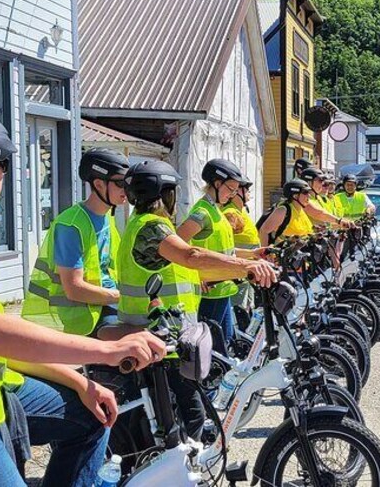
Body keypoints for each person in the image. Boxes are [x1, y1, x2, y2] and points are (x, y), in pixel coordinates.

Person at [0, 107, 166, 486]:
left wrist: (83, 383)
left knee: (93, 416)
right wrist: (107, 351)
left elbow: (2, 342)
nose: (5, 177)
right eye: (2, 168)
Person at [99, 161, 275, 439]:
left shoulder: (142, 224)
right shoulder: (153, 228)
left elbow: (189, 264)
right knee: (191, 415)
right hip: (158, 337)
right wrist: (246, 268)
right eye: (173, 191)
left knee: (182, 412)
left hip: (165, 334)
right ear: (164, 193)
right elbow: (190, 256)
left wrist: (247, 260)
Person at [23, 148, 129, 337]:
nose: (126, 189)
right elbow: (74, 289)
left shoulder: (107, 217)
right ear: (98, 184)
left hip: (104, 304)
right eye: (120, 183)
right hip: (85, 316)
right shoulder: (71, 225)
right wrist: (124, 297)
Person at [177, 159, 265, 344]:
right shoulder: (202, 213)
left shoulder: (216, 210)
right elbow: (176, 247)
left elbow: (226, 252)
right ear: (217, 184)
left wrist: (254, 254)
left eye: (235, 191)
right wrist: (195, 276)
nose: (233, 194)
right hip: (211, 292)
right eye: (231, 189)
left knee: (228, 343)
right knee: (216, 349)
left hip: (224, 288)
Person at [259, 179, 350, 245]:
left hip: (301, 261)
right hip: (284, 263)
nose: (309, 196)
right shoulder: (283, 210)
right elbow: (264, 231)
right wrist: (265, 255)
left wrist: (317, 231)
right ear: (295, 195)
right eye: (305, 193)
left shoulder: (301, 209)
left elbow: (319, 215)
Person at [222, 176, 261, 327]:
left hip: (248, 270)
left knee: (248, 307)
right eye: (247, 190)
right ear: (237, 192)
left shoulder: (240, 211)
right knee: (239, 310)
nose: (250, 193)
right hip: (238, 272)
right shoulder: (231, 213)